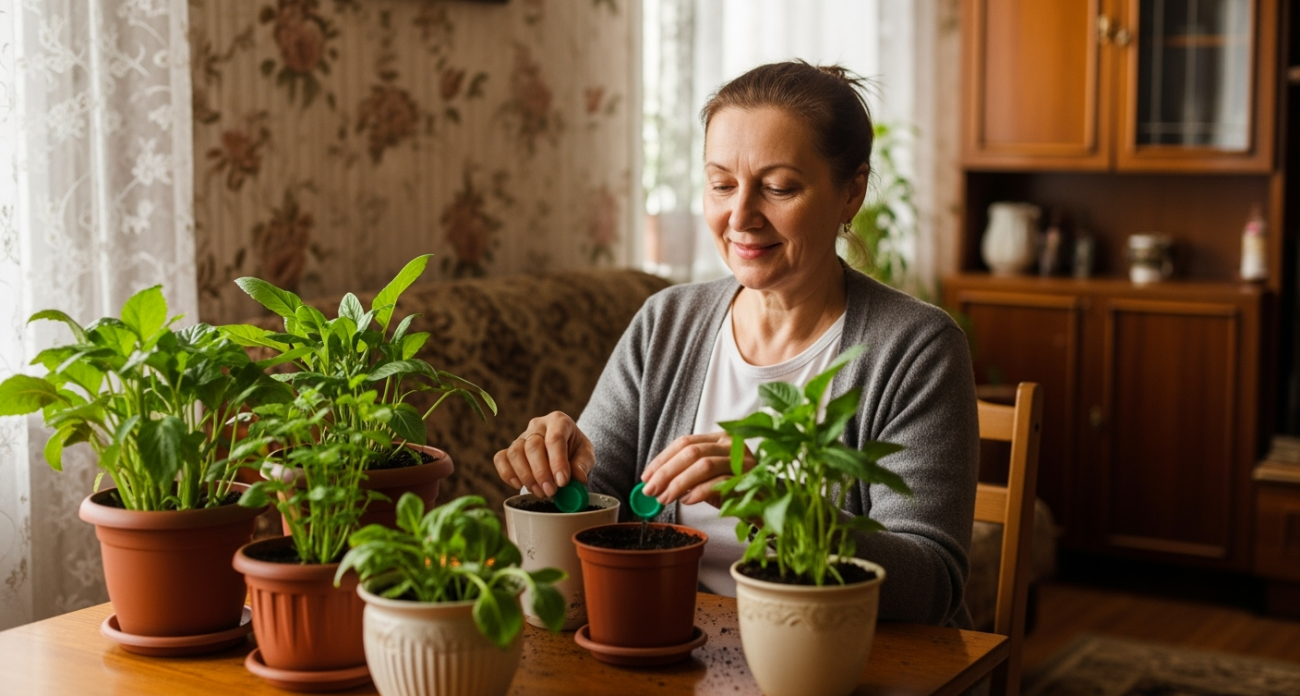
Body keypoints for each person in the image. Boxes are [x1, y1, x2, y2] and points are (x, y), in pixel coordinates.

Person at [493, 61, 978, 628]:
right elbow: (595, 508)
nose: (740, 216)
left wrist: (774, 502)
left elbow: (931, 585)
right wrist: (554, 471)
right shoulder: (666, 323)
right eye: (721, 184)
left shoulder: (917, 349)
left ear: (851, 192)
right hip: (677, 649)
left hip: (838, 661)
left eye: (778, 188)